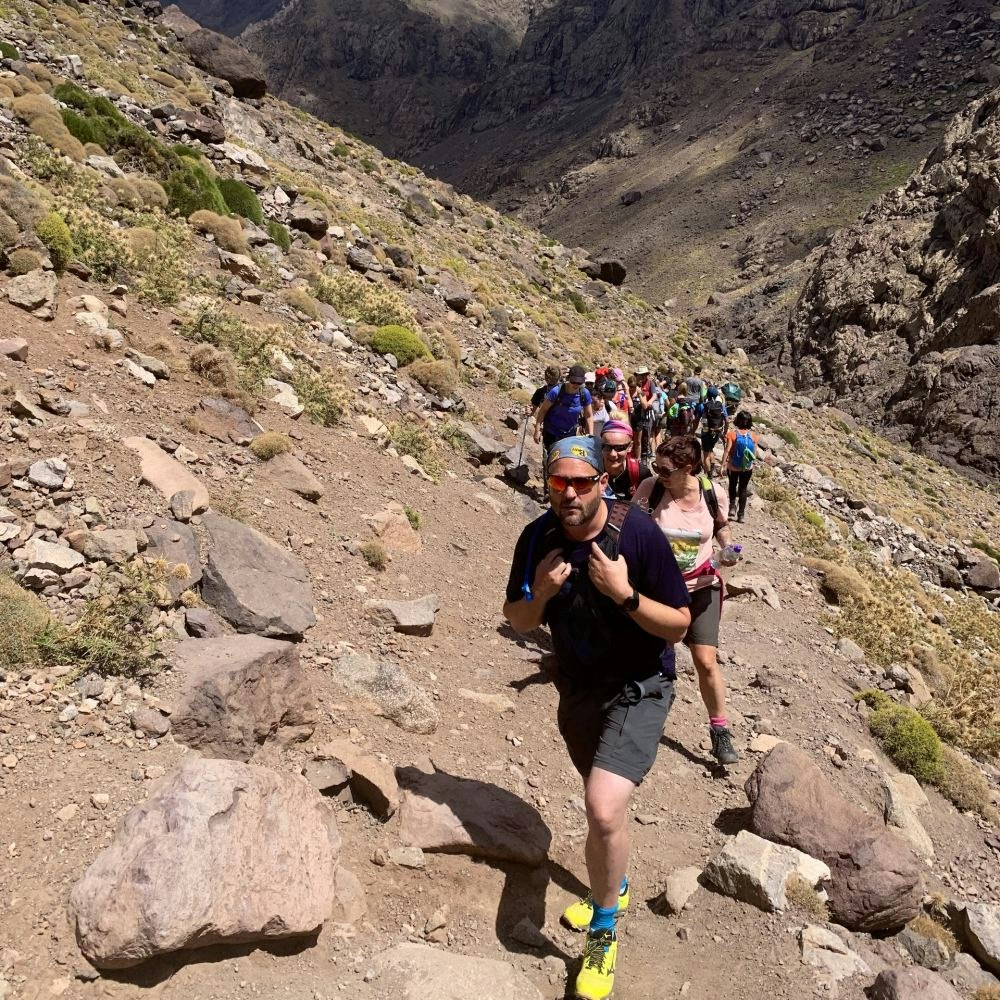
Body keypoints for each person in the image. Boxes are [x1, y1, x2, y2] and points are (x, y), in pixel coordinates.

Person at [504, 436, 690, 1000]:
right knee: (601, 813)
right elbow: (516, 618)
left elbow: (680, 623)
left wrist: (626, 595)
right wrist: (542, 595)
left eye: (581, 482)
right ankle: (616, 883)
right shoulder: (537, 538)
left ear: (600, 482)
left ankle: (604, 933)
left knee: (603, 808)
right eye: (559, 482)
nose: (570, 493)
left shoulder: (636, 535)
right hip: (580, 691)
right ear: (548, 484)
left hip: (642, 685)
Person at [634, 436, 741, 766]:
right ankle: (653, 706)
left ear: (688, 467)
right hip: (661, 589)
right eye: (656, 466)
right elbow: (632, 525)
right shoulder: (652, 489)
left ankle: (720, 730)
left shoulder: (712, 494)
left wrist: (730, 549)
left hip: (702, 587)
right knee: (656, 658)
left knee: (706, 662)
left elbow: (722, 528)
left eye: (665, 469)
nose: (657, 472)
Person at [534, 364, 594, 454]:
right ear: (568, 378)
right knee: (550, 460)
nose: (576, 385)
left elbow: (589, 416)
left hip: (570, 435)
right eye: (573, 381)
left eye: (579, 383)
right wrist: (537, 430)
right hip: (552, 433)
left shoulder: (584, 394)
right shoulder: (556, 392)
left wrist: (590, 436)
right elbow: (542, 411)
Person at [721, 410, 758, 523]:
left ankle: (732, 507)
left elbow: (727, 450)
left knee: (732, 486)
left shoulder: (732, 434)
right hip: (747, 468)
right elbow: (754, 454)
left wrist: (722, 465)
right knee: (743, 489)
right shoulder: (753, 436)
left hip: (733, 466)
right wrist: (750, 464)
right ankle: (741, 515)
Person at [601, 420, 652, 502]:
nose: (612, 454)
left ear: (630, 446)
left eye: (620, 448)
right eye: (607, 447)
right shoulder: (592, 469)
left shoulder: (641, 474)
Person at [700, 386, 729, 477]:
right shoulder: (721, 406)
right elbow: (727, 420)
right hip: (717, 431)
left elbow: (702, 419)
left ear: (707, 395)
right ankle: (711, 469)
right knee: (711, 449)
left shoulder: (705, 405)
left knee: (705, 454)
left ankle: (709, 475)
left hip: (707, 432)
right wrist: (724, 432)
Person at [631, 366, 655, 462]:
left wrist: (650, 402)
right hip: (636, 413)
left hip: (646, 411)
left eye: (643, 375)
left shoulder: (650, 383)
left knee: (645, 434)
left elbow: (654, 395)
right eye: (639, 375)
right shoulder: (634, 384)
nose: (641, 376)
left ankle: (644, 455)